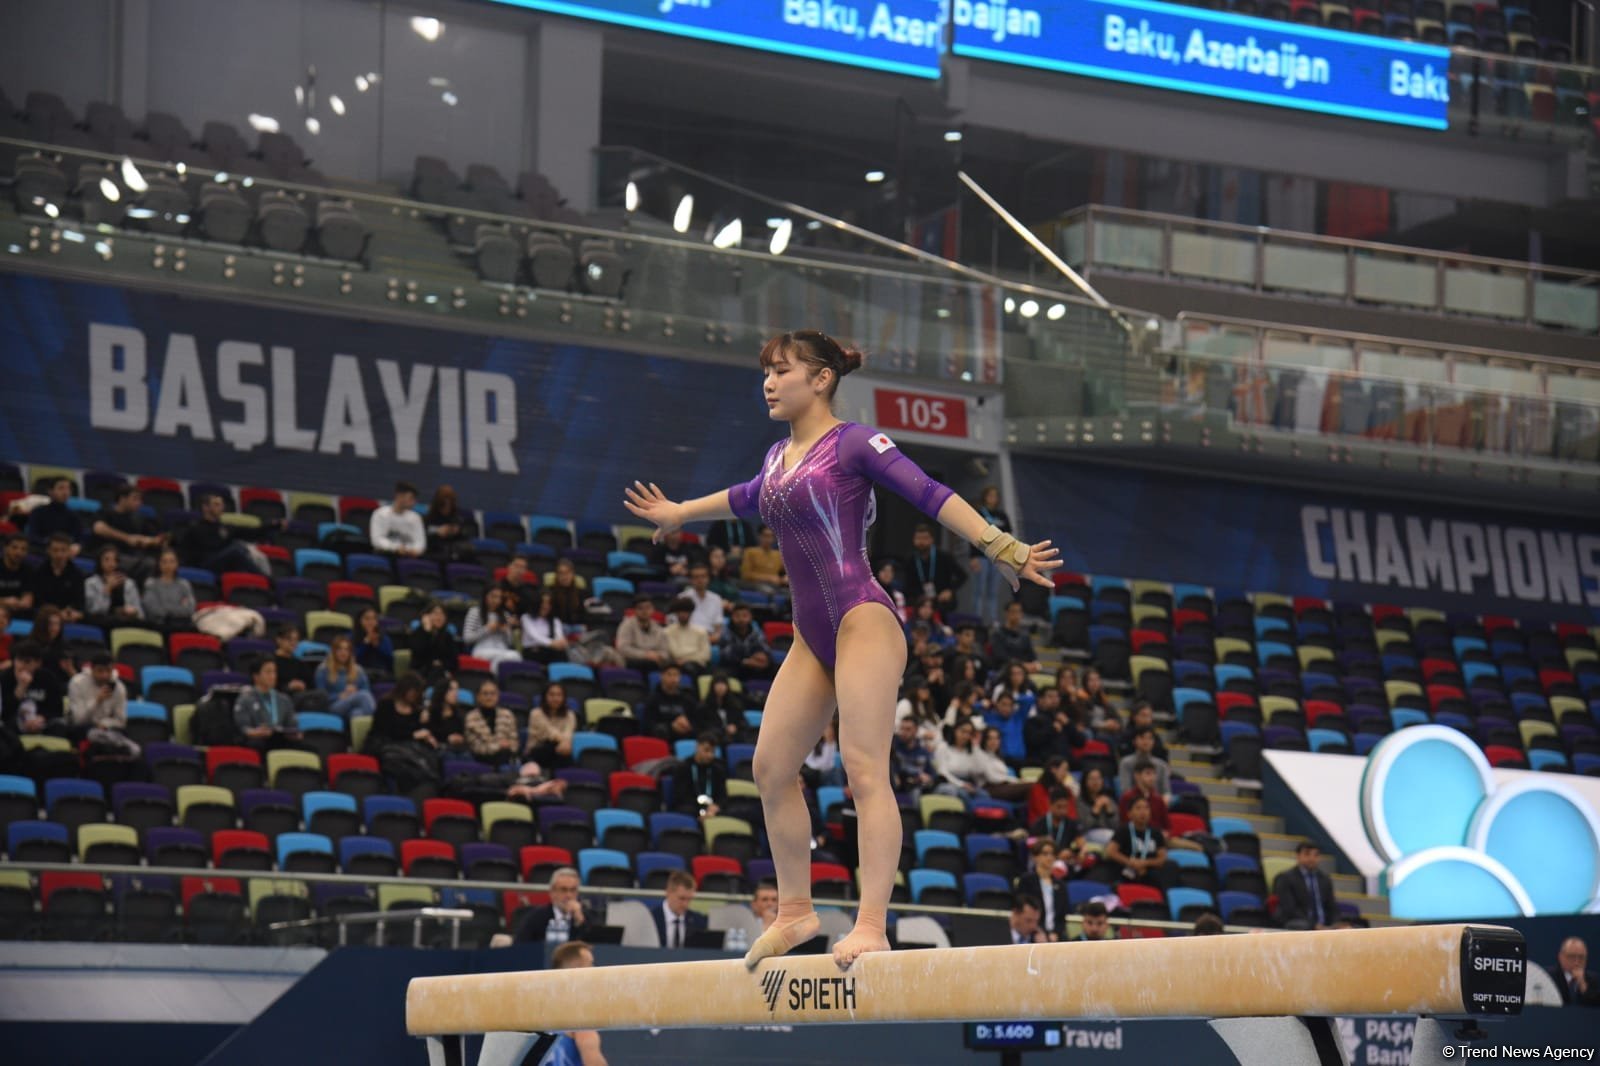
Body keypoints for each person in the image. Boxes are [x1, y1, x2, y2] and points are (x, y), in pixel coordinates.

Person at [623, 329, 1059, 971]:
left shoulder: (853, 443)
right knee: (771, 769)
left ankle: (872, 924)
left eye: (782, 371)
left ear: (821, 378)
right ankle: (797, 911)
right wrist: (682, 512)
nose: (768, 383)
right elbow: (744, 499)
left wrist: (1000, 546)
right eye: (764, 372)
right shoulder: (775, 459)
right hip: (812, 634)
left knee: (862, 771)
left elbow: (929, 493)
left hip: (862, 618)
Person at [543, 940, 610, 1066]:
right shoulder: (578, 1013)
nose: (595, 969)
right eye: (590, 964)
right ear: (576, 969)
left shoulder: (539, 1009)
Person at [511, 866, 603, 944]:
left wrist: (579, 921)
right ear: (552, 892)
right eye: (563, 890)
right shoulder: (536, 916)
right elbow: (520, 945)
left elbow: (596, 946)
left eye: (573, 890)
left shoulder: (588, 917)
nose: (569, 895)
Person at [92, 484, 166, 579]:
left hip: (132, 556)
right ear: (122, 499)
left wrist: (151, 541)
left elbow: (149, 537)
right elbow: (99, 528)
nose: (139, 503)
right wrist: (127, 538)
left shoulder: (137, 518)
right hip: (109, 554)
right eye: (135, 499)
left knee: (153, 563)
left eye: (140, 500)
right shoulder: (106, 512)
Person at [64, 651, 132, 749]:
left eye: (108, 671)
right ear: (92, 670)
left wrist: (104, 724)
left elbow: (121, 721)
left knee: (123, 733)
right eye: (100, 671)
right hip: (83, 727)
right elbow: (78, 720)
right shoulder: (77, 683)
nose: (104, 675)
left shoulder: (119, 688)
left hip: (106, 727)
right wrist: (97, 701)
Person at [179, 493, 261, 575]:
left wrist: (271, 525)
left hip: (221, 562)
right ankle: (265, 579)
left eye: (222, 505)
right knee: (236, 550)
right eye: (217, 504)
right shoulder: (195, 528)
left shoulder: (225, 527)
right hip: (204, 564)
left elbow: (251, 532)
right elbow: (183, 551)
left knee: (244, 548)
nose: (222, 508)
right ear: (205, 507)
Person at [233, 657, 301, 750]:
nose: (273, 676)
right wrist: (255, 732)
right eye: (268, 672)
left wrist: (295, 734)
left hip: (281, 740)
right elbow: (243, 728)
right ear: (256, 676)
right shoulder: (245, 699)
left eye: (274, 672)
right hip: (259, 741)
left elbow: (292, 726)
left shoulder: (284, 699)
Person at [966, 486, 1012, 623]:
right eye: (990, 495)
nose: (993, 498)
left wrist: (1007, 557)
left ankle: (993, 621)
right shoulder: (979, 513)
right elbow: (971, 535)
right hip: (981, 556)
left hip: (997, 557)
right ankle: (977, 620)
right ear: (984, 497)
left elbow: (1009, 536)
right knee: (979, 591)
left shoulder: (1002, 515)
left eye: (995, 496)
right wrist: (972, 557)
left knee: (993, 592)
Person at [1105, 795, 1170, 889]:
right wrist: (1130, 862)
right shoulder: (1123, 830)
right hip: (1125, 871)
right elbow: (1111, 851)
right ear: (1129, 813)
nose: (1143, 812)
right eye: (1138, 808)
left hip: (1148, 873)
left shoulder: (1156, 833)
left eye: (1146, 808)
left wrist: (1144, 863)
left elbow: (1162, 858)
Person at [1, 641, 65, 735]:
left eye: (27, 661)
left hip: (41, 721)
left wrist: (42, 718)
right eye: (18, 660)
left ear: (38, 663)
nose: (21, 665)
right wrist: (21, 688)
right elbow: (4, 712)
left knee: (60, 726)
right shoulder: (5, 678)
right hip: (13, 723)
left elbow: (57, 709)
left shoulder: (48, 678)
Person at [1272, 841, 1338, 931]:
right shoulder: (1285, 878)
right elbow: (1290, 909)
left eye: (1316, 855)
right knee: (1304, 926)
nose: (1312, 858)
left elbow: (1332, 906)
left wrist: (1336, 924)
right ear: (1298, 856)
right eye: (1307, 854)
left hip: (1323, 925)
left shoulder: (1325, 880)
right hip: (1297, 921)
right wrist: (1314, 925)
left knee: (1354, 928)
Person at [1016, 839, 1071, 941]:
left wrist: (1056, 933)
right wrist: (1039, 931)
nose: (1050, 858)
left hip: (1056, 934)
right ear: (1035, 857)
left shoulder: (1061, 885)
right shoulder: (1026, 881)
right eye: (1045, 854)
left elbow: (1062, 916)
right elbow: (1023, 909)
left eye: (1053, 854)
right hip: (1032, 931)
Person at [312, 634, 377, 719]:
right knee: (363, 696)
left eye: (346, 650)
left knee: (356, 714)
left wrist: (355, 692)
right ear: (334, 651)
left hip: (354, 704)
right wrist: (339, 696)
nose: (343, 653)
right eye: (340, 649)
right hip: (334, 706)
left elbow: (367, 690)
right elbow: (321, 697)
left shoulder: (358, 670)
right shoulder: (323, 670)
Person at [904, 523, 964, 612]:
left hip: (941, 600)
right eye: (918, 538)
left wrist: (950, 590)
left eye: (925, 538)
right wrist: (919, 597)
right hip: (920, 601)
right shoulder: (910, 559)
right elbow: (907, 585)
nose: (921, 542)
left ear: (932, 540)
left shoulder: (944, 557)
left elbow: (962, 576)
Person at [670, 731, 728, 816]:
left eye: (713, 752)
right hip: (691, 806)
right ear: (697, 746)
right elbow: (681, 796)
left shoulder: (718, 769)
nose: (710, 755)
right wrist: (702, 808)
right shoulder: (683, 768)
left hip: (712, 808)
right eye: (706, 750)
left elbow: (722, 794)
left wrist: (716, 806)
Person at [462, 585, 522, 667]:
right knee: (513, 656)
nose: (497, 601)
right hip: (482, 649)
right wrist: (487, 629)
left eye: (499, 598)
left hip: (502, 650)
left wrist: (507, 630)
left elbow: (510, 643)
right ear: (485, 596)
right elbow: (467, 638)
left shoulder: (505, 615)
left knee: (514, 656)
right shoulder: (475, 612)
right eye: (493, 596)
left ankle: (492, 676)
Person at [464, 680, 520, 765]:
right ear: (478, 696)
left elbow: (514, 743)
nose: (489, 697)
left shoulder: (507, 715)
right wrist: (499, 746)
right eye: (485, 694)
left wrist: (507, 746)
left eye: (493, 693)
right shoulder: (471, 717)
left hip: (506, 755)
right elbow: (476, 747)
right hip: (482, 758)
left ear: (498, 696)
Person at [1024, 687, 1084, 766]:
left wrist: (1068, 724)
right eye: (1050, 696)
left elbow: (1080, 742)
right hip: (1044, 764)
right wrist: (1051, 729)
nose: (1054, 699)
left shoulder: (1063, 720)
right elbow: (1032, 741)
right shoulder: (1033, 720)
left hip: (1066, 764)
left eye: (1057, 696)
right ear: (1040, 700)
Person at [31, 533, 85, 620]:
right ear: (48, 550)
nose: (59, 555)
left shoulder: (77, 574)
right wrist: (56, 613)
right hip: (44, 615)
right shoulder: (39, 572)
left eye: (63, 550)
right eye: (55, 550)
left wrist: (69, 611)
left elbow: (79, 602)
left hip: (67, 615)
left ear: (69, 551)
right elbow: (37, 601)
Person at [84, 545, 143, 626]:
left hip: (126, 621)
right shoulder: (90, 583)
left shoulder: (128, 583)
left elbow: (140, 613)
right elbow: (94, 611)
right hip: (102, 622)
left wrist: (133, 611)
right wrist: (107, 589)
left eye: (114, 560)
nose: (111, 563)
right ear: (99, 561)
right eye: (106, 559)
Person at [141, 548, 197, 630]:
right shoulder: (151, 583)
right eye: (164, 562)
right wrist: (178, 608)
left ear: (177, 563)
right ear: (159, 564)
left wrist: (166, 609)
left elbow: (190, 609)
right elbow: (153, 610)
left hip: (182, 625)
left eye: (172, 561)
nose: (168, 565)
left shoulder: (184, 584)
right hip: (159, 625)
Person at [526, 682, 577, 768]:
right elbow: (549, 732)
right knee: (552, 746)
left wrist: (565, 742)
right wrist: (564, 742)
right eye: (551, 695)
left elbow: (568, 733)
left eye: (559, 695)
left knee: (562, 753)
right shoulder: (536, 713)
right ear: (545, 696)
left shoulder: (570, 715)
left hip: (560, 750)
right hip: (538, 750)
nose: (555, 698)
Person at [370, 481, 426, 559]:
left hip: (409, 557)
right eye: (411, 498)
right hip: (385, 555)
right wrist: (395, 548)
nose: (414, 502)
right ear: (399, 496)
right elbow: (377, 540)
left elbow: (420, 543)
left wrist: (411, 550)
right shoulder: (380, 514)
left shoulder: (415, 518)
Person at [1028, 788, 1085, 863]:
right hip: (1043, 862)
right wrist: (1042, 840)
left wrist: (1081, 851)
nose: (1063, 811)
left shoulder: (1071, 823)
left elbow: (1081, 842)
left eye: (1065, 807)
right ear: (1050, 805)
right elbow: (1029, 842)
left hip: (1063, 862)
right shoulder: (1039, 824)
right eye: (1059, 807)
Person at [653, 869, 707, 949]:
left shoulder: (699, 922)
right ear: (668, 892)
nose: (685, 904)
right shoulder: (651, 919)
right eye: (682, 898)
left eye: (689, 899)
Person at [407, 602, 459, 684]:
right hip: (420, 673)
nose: (439, 617)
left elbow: (453, 661)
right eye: (435, 614)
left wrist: (441, 664)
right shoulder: (419, 633)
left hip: (441, 673)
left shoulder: (447, 635)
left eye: (442, 614)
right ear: (426, 616)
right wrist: (427, 632)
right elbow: (419, 655)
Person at [718, 602, 772, 680]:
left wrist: (763, 655)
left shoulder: (756, 632)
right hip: (734, 667)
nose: (741, 619)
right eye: (737, 616)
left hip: (754, 665)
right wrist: (745, 661)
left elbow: (765, 649)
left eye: (744, 616)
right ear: (732, 617)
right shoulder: (726, 632)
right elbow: (726, 655)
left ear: (750, 617)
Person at [644, 663, 697, 741]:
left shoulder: (688, 700)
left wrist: (688, 724)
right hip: (662, 740)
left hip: (685, 739)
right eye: (669, 675)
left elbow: (697, 721)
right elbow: (649, 727)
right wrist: (671, 726)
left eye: (676, 675)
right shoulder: (652, 700)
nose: (673, 679)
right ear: (661, 676)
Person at [616, 596, 670, 670]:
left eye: (648, 608)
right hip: (632, 660)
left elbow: (665, 651)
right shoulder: (626, 625)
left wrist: (658, 655)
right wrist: (645, 655)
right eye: (640, 608)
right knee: (649, 664)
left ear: (653, 609)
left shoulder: (658, 627)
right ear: (634, 610)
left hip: (654, 660)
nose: (645, 611)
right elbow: (623, 648)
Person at [1118, 757, 1172, 832]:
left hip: (1157, 838)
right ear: (1137, 776)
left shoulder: (1158, 799)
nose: (1152, 777)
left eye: (1154, 773)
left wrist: (1164, 834)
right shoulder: (1127, 798)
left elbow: (1167, 827)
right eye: (1148, 773)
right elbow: (1123, 824)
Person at [1118, 726, 1173, 798]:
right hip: (1133, 804)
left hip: (1156, 803)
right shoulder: (1126, 762)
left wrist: (1163, 800)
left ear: (1154, 742)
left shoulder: (1162, 765)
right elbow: (1125, 790)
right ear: (1134, 741)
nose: (1146, 741)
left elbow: (1166, 792)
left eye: (1150, 738)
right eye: (1142, 737)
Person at [890, 715, 936, 799]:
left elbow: (932, 774)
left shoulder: (923, 751)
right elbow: (897, 768)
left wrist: (928, 778)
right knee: (915, 793)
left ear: (916, 730)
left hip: (921, 786)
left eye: (908, 729)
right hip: (901, 786)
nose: (903, 732)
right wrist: (917, 774)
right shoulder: (893, 748)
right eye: (902, 729)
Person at [26, 478, 81, 548]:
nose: (65, 492)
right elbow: (32, 536)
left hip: (65, 552)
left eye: (68, 489)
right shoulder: (38, 512)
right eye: (61, 488)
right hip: (42, 549)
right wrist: (50, 544)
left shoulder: (74, 516)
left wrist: (76, 546)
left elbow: (78, 539)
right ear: (50, 491)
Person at [1025, 754, 1078, 825]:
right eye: (1064, 770)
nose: (1066, 774)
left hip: (1065, 827)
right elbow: (1043, 812)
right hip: (1042, 828)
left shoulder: (1066, 789)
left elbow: (1072, 813)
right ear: (1053, 769)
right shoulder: (1037, 789)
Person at [989, 602, 1041, 673]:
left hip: (1024, 672)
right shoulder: (997, 634)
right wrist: (1022, 665)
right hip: (1004, 672)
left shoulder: (1025, 636)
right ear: (1006, 613)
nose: (1016, 615)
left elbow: (1032, 656)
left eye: (1019, 612)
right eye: (1013, 611)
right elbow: (1001, 657)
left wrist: (1036, 665)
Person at [1547, 938, 1600, 1007]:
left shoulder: (1594, 980)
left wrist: (1583, 985)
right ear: (1560, 957)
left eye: (1581, 957)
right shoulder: (1549, 976)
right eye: (1571, 956)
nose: (1577, 962)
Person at [424, 485, 471, 562]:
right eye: (443, 506)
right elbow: (423, 539)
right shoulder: (428, 519)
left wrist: (457, 532)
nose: (446, 509)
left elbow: (465, 539)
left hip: (453, 552)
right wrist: (437, 533)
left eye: (449, 506)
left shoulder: (457, 519)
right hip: (434, 552)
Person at [664, 598, 711, 672]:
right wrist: (693, 653)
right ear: (676, 613)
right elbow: (676, 653)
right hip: (676, 665)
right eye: (680, 612)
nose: (683, 614)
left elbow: (706, 655)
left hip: (697, 665)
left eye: (686, 612)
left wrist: (686, 659)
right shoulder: (668, 631)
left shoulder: (701, 631)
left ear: (691, 613)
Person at [698, 671, 746, 742]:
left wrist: (736, 727)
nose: (720, 687)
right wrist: (724, 730)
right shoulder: (704, 706)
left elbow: (742, 721)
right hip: (715, 738)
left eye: (723, 684)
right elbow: (704, 726)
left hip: (734, 736)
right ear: (712, 686)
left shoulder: (735, 705)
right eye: (718, 684)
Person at [983, 691, 1028, 764]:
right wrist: (989, 703)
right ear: (997, 704)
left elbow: (1030, 699)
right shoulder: (989, 718)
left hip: (1020, 760)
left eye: (1010, 705)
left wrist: (1015, 699)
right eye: (1003, 704)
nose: (1007, 708)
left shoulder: (1018, 717)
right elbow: (974, 707)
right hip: (1000, 760)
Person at [683, 563, 726, 638]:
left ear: (708, 578)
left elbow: (718, 626)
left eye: (703, 576)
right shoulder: (683, 598)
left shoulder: (716, 599)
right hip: (687, 637)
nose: (700, 580)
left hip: (709, 638)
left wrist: (713, 638)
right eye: (696, 577)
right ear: (691, 580)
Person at [271, 625, 313, 700]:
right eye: (289, 639)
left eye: (296, 639)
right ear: (279, 640)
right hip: (280, 698)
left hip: (301, 697)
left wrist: (303, 685)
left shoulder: (300, 663)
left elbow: (311, 684)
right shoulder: (270, 662)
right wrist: (288, 686)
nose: (293, 643)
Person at [738, 525, 786, 589]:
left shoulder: (777, 554)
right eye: (766, 536)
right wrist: (769, 578)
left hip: (777, 587)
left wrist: (786, 577)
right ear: (759, 536)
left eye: (771, 536)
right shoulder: (750, 552)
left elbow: (787, 571)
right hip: (757, 586)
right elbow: (746, 575)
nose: (768, 540)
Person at [0, 535, 36, 617]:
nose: (19, 552)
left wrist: (23, 603)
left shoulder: (29, 570)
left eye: (23, 549)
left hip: (18, 613)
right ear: (5, 548)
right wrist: (5, 601)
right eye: (14, 547)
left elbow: (28, 598)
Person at [1078, 767, 1120, 833]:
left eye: (1098, 778)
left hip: (1109, 834)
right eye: (1091, 779)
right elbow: (1083, 827)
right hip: (1088, 835)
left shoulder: (1108, 799)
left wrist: (1109, 811)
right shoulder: (1080, 801)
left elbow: (1116, 826)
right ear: (1085, 781)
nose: (1095, 781)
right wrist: (1095, 810)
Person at [354, 607, 394, 674]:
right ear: (359, 620)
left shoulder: (384, 637)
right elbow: (351, 659)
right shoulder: (352, 636)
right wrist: (365, 643)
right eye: (367, 619)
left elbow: (390, 660)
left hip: (381, 674)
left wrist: (378, 645)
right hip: (358, 673)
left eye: (374, 619)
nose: (371, 622)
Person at [547, 558, 585, 627]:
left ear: (573, 574)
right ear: (556, 575)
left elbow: (584, 615)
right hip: (558, 628)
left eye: (567, 573)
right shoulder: (550, 592)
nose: (564, 577)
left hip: (577, 628)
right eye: (561, 573)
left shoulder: (581, 593)